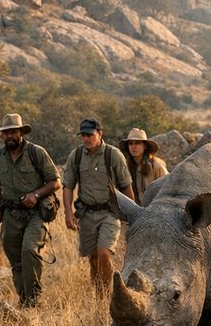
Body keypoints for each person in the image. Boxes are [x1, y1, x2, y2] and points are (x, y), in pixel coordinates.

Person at [0, 113, 61, 308]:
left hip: (36, 213)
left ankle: (34, 298)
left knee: (29, 250)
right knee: (15, 257)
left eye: (13, 132)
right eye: (5, 133)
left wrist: (36, 195)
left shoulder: (36, 153)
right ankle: (24, 299)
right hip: (11, 213)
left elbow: (55, 182)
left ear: (21, 133)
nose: (9, 136)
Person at [62, 117, 135, 294]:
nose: (85, 139)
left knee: (104, 253)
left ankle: (110, 292)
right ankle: (99, 296)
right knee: (93, 259)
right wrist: (68, 213)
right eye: (83, 135)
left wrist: (133, 215)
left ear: (100, 134)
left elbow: (126, 186)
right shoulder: (77, 156)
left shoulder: (113, 155)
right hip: (86, 213)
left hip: (110, 213)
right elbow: (68, 186)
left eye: (89, 135)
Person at [119, 128, 169, 206]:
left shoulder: (156, 165)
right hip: (137, 211)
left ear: (145, 146)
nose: (134, 147)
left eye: (137, 143)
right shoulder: (126, 167)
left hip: (156, 208)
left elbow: (168, 187)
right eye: (131, 143)